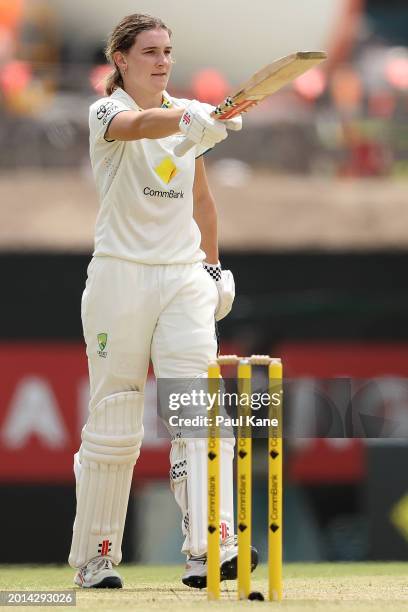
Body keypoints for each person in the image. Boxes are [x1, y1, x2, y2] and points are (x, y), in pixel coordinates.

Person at [68, 13, 257, 589]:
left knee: (196, 413)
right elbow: (137, 125)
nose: (162, 60)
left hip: (181, 277)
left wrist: (214, 264)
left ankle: (211, 549)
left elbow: (200, 199)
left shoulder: (188, 122)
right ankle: (96, 559)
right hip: (121, 277)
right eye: (149, 51)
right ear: (121, 60)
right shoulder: (108, 111)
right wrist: (188, 116)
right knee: (114, 423)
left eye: (168, 50)